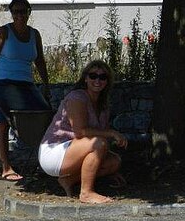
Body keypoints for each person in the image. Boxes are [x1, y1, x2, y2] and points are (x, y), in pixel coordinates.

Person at [38, 60, 128, 204]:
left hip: (74, 149)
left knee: (114, 162)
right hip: (55, 151)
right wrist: (111, 133)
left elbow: (98, 135)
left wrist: (110, 170)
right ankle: (86, 193)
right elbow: (80, 131)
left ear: (107, 81)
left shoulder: (103, 105)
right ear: (85, 78)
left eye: (102, 77)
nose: (97, 80)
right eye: (93, 76)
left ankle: (68, 180)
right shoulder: (77, 98)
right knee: (99, 143)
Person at [0, 0, 51, 182]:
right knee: (4, 122)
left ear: (29, 12)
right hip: (2, 82)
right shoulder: (4, 32)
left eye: (23, 11)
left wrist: (46, 84)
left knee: (44, 115)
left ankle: (45, 162)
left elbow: (40, 61)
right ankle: (6, 167)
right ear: (11, 13)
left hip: (26, 83)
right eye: (15, 12)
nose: (19, 15)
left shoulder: (34, 34)